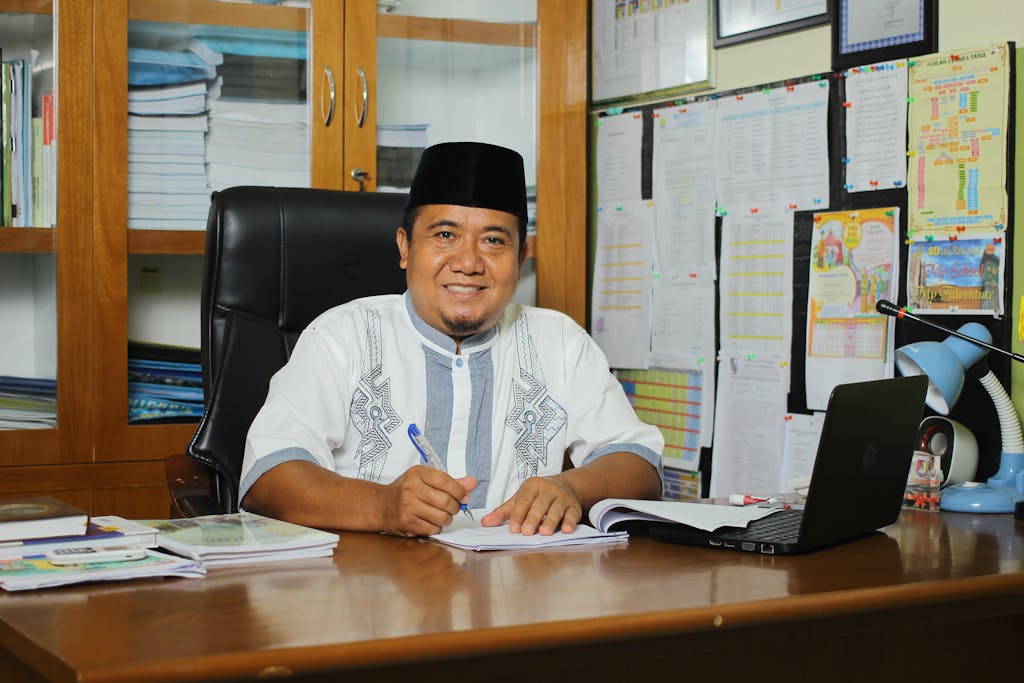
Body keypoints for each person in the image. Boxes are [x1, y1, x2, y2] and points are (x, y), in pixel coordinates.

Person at [239, 141, 663, 538]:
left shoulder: (561, 340)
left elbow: (640, 464)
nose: (467, 263)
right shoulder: (341, 335)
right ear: (405, 247)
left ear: (521, 258)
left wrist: (572, 486)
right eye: (445, 235)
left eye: (494, 241)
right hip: (368, 597)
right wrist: (382, 505)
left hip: (520, 595)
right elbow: (267, 477)